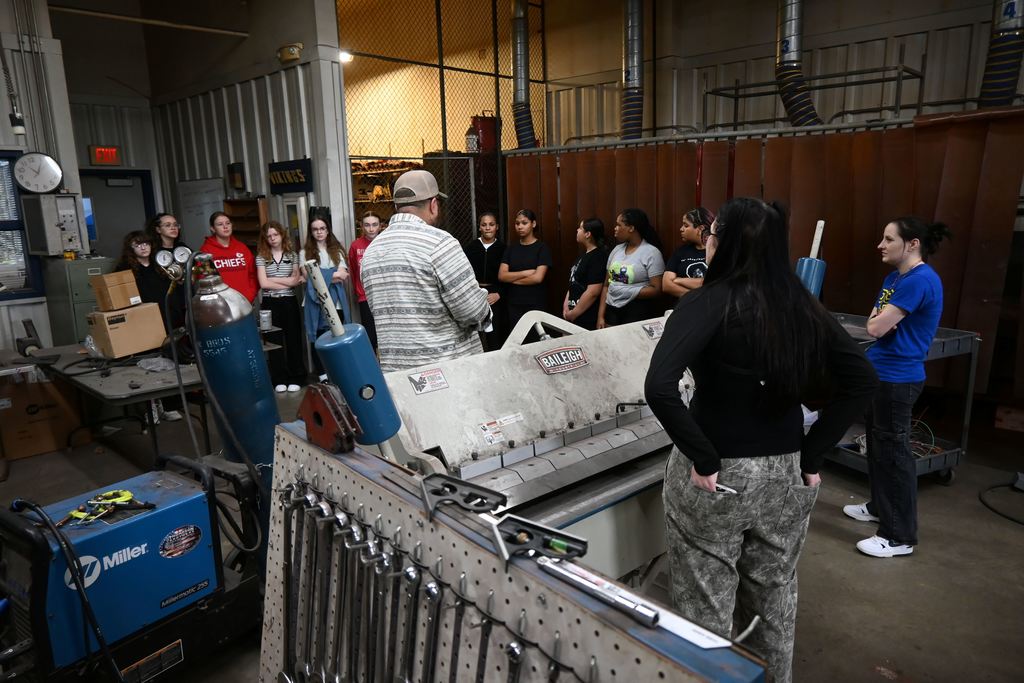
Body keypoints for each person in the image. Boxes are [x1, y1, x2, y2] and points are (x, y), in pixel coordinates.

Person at [644, 198, 877, 683]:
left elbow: (659, 385)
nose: (706, 240)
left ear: (722, 241)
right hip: (787, 474)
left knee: (706, 606)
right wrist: (813, 454)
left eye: (711, 233)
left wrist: (703, 457)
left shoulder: (707, 301)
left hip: (717, 478)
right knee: (774, 595)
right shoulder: (801, 304)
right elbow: (861, 378)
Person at [843, 217, 950, 558]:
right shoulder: (894, 278)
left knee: (894, 455)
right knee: (877, 446)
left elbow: (875, 328)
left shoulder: (920, 281)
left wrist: (881, 322)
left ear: (912, 243)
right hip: (882, 375)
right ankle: (879, 507)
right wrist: (881, 321)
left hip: (899, 379)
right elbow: (876, 319)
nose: (881, 245)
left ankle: (899, 535)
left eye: (889, 239)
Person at [361, 169, 491, 372]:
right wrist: (483, 300)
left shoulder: (371, 252)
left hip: (397, 376)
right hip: (447, 375)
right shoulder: (440, 244)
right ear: (433, 204)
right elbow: (472, 312)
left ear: (397, 206)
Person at [115, 230, 182, 423]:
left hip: (168, 320)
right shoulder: (125, 269)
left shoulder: (161, 264)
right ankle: (150, 409)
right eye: (138, 244)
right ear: (131, 248)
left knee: (170, 364)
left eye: (146, 243)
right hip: (143, 325)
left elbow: (175, 288)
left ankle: (169, 407)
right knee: (148, 366)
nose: (143, 247)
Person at [300, 213, 352, 381]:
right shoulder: (304, 252)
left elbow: (343, 275)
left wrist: (322, 275)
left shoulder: (336, 250)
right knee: (319, 338)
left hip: (336, 302)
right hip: (315, 303)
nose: (319, 232)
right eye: (315, 229)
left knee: (338, 336)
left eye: (322, 228)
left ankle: (339, 371)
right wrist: (333, 274)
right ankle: (323, 375)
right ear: (311, 232)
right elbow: (308, 277)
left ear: (328, 230)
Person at [256, 221, 305, 393]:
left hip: (289, 301)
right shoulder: (261, 256)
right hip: (269, 303)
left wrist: (273, 281)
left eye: (275, 234)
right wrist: (287, 281)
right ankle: (279, 379)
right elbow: (263, 283)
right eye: (268, 236)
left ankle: (296, 377)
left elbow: (296, 281)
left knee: (293, 340)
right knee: (273, 341)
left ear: (282, 235)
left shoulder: (292, 255)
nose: (272, 238)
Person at [597, 208, 665, 327]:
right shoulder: (616, 250)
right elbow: (606, 285)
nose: (615, 228)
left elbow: (657, 289)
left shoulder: (651, 253)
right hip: (611, 311)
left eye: (619, 225)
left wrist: (627, 291)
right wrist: (600, 317)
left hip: (635, 312)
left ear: (631, 228)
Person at [498, 209, 553, 331]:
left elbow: (537, 278)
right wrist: (525, 273)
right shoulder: (511, 249)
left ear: (533, 224)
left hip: (535, 303)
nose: (520, 226)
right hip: (514, 304)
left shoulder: (542, 248)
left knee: (536, 339)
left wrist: (511, 279)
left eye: (524, 223)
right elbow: (502, 276)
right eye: (517, 223)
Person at [463, 211, 507, 349]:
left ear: (497, 227)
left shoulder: (503, 249)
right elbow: (464, 273)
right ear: (479, 227)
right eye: (484, 225)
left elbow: (508, 276)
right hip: (475, 293)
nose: (488, 228)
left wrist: (499, 293)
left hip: (494, 295)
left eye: (491, 224)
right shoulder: (470, 248)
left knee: (495, 336)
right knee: (475, 336)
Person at [200, 211, 258, 302]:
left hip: (245, 301)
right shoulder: (206, 250)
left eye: (228, 223)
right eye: (220, 224)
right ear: (213, 229)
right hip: (220, 305)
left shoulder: (242, 248)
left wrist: (249, 295)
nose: (225, 226)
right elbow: (203, 279)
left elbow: (253, 274)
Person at [562, 218, 607, 330]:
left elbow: (593, 292)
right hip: (572, 313)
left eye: (580, 228)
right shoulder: (582, 256)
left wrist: (574, 314)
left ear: (588, 234)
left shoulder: (597, 257)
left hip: (585, 316)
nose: (577, 230)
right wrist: (566, 308)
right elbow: (573, 283)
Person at [348, 211, 382, 349]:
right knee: (371, 336)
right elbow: (354, 271)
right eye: (367, 225)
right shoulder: (355, 246)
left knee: (385, 335)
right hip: (365, 296)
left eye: (374, 225)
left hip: (385, 295)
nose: (371, 228)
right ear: (362, 226)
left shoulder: (385, 242)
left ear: (380, 226)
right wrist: (359, 291)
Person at [662, 207, 712, 299]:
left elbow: (714, 284)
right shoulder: (681, 251)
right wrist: (695, 297)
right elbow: (666, 285)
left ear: (700, 229)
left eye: (686, 225)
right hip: (683, 307)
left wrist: (679, 280)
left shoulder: (716, 251)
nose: (681, 229)